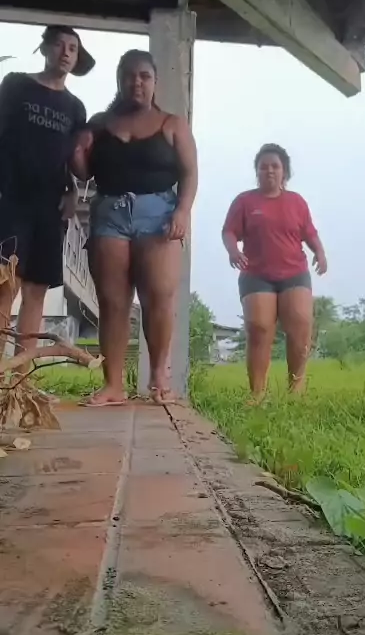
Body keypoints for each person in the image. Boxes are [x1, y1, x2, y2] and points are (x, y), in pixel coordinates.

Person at [71, 49, 198, 407]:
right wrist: (78, 153)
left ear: (154, 82)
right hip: (110, 212)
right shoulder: (99, 123)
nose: (136, 82)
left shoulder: (172, 124)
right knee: (112, 302)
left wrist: (183, 211)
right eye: (129, 75)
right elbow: (84, 172)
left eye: (144, 75)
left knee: (158, 296)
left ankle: (159, 378)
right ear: (119, 80)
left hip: (158, 214)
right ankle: (113, 385)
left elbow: (190, 173)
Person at [0, 25, 94, 362]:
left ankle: (20, 378)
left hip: (50, 207)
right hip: (12, 199)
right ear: (44, 49)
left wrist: (73, 190)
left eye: (73, 48)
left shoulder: (75, 108)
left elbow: (72, 159)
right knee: (5, 286)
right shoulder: (16, 85)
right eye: (59, 45)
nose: (66, 52)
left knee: (36, 290)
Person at [222, 143, 327, 402]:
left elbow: (309, 232)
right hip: (256, 273)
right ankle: (257, 394)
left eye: (275, 166)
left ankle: (296, 389)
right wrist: (233, 251)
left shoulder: (296, 202)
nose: (269, 171)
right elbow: (229, 231)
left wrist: (320, 253)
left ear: (284, 172)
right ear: (256, 171)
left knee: (301, 324)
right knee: (259, 328)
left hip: (294, 272)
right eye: (263, 167)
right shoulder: (245, 201)